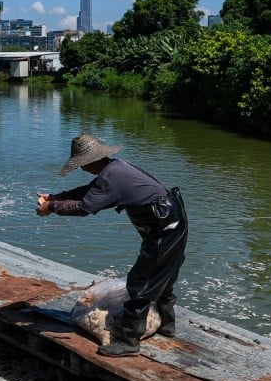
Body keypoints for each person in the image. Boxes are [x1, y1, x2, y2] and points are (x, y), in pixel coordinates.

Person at [36, 133, 188, 357]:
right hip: (173, 221)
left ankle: (129, 341)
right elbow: (88, 192)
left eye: (83, 164)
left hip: (164, 228)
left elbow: (84, 207)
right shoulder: (115, 169)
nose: (82, 168)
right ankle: (166, 325)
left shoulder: (111, 177)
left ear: (93, 160)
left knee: (141, 282)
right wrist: (55, 197)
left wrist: (51, 208)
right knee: (163, 275)